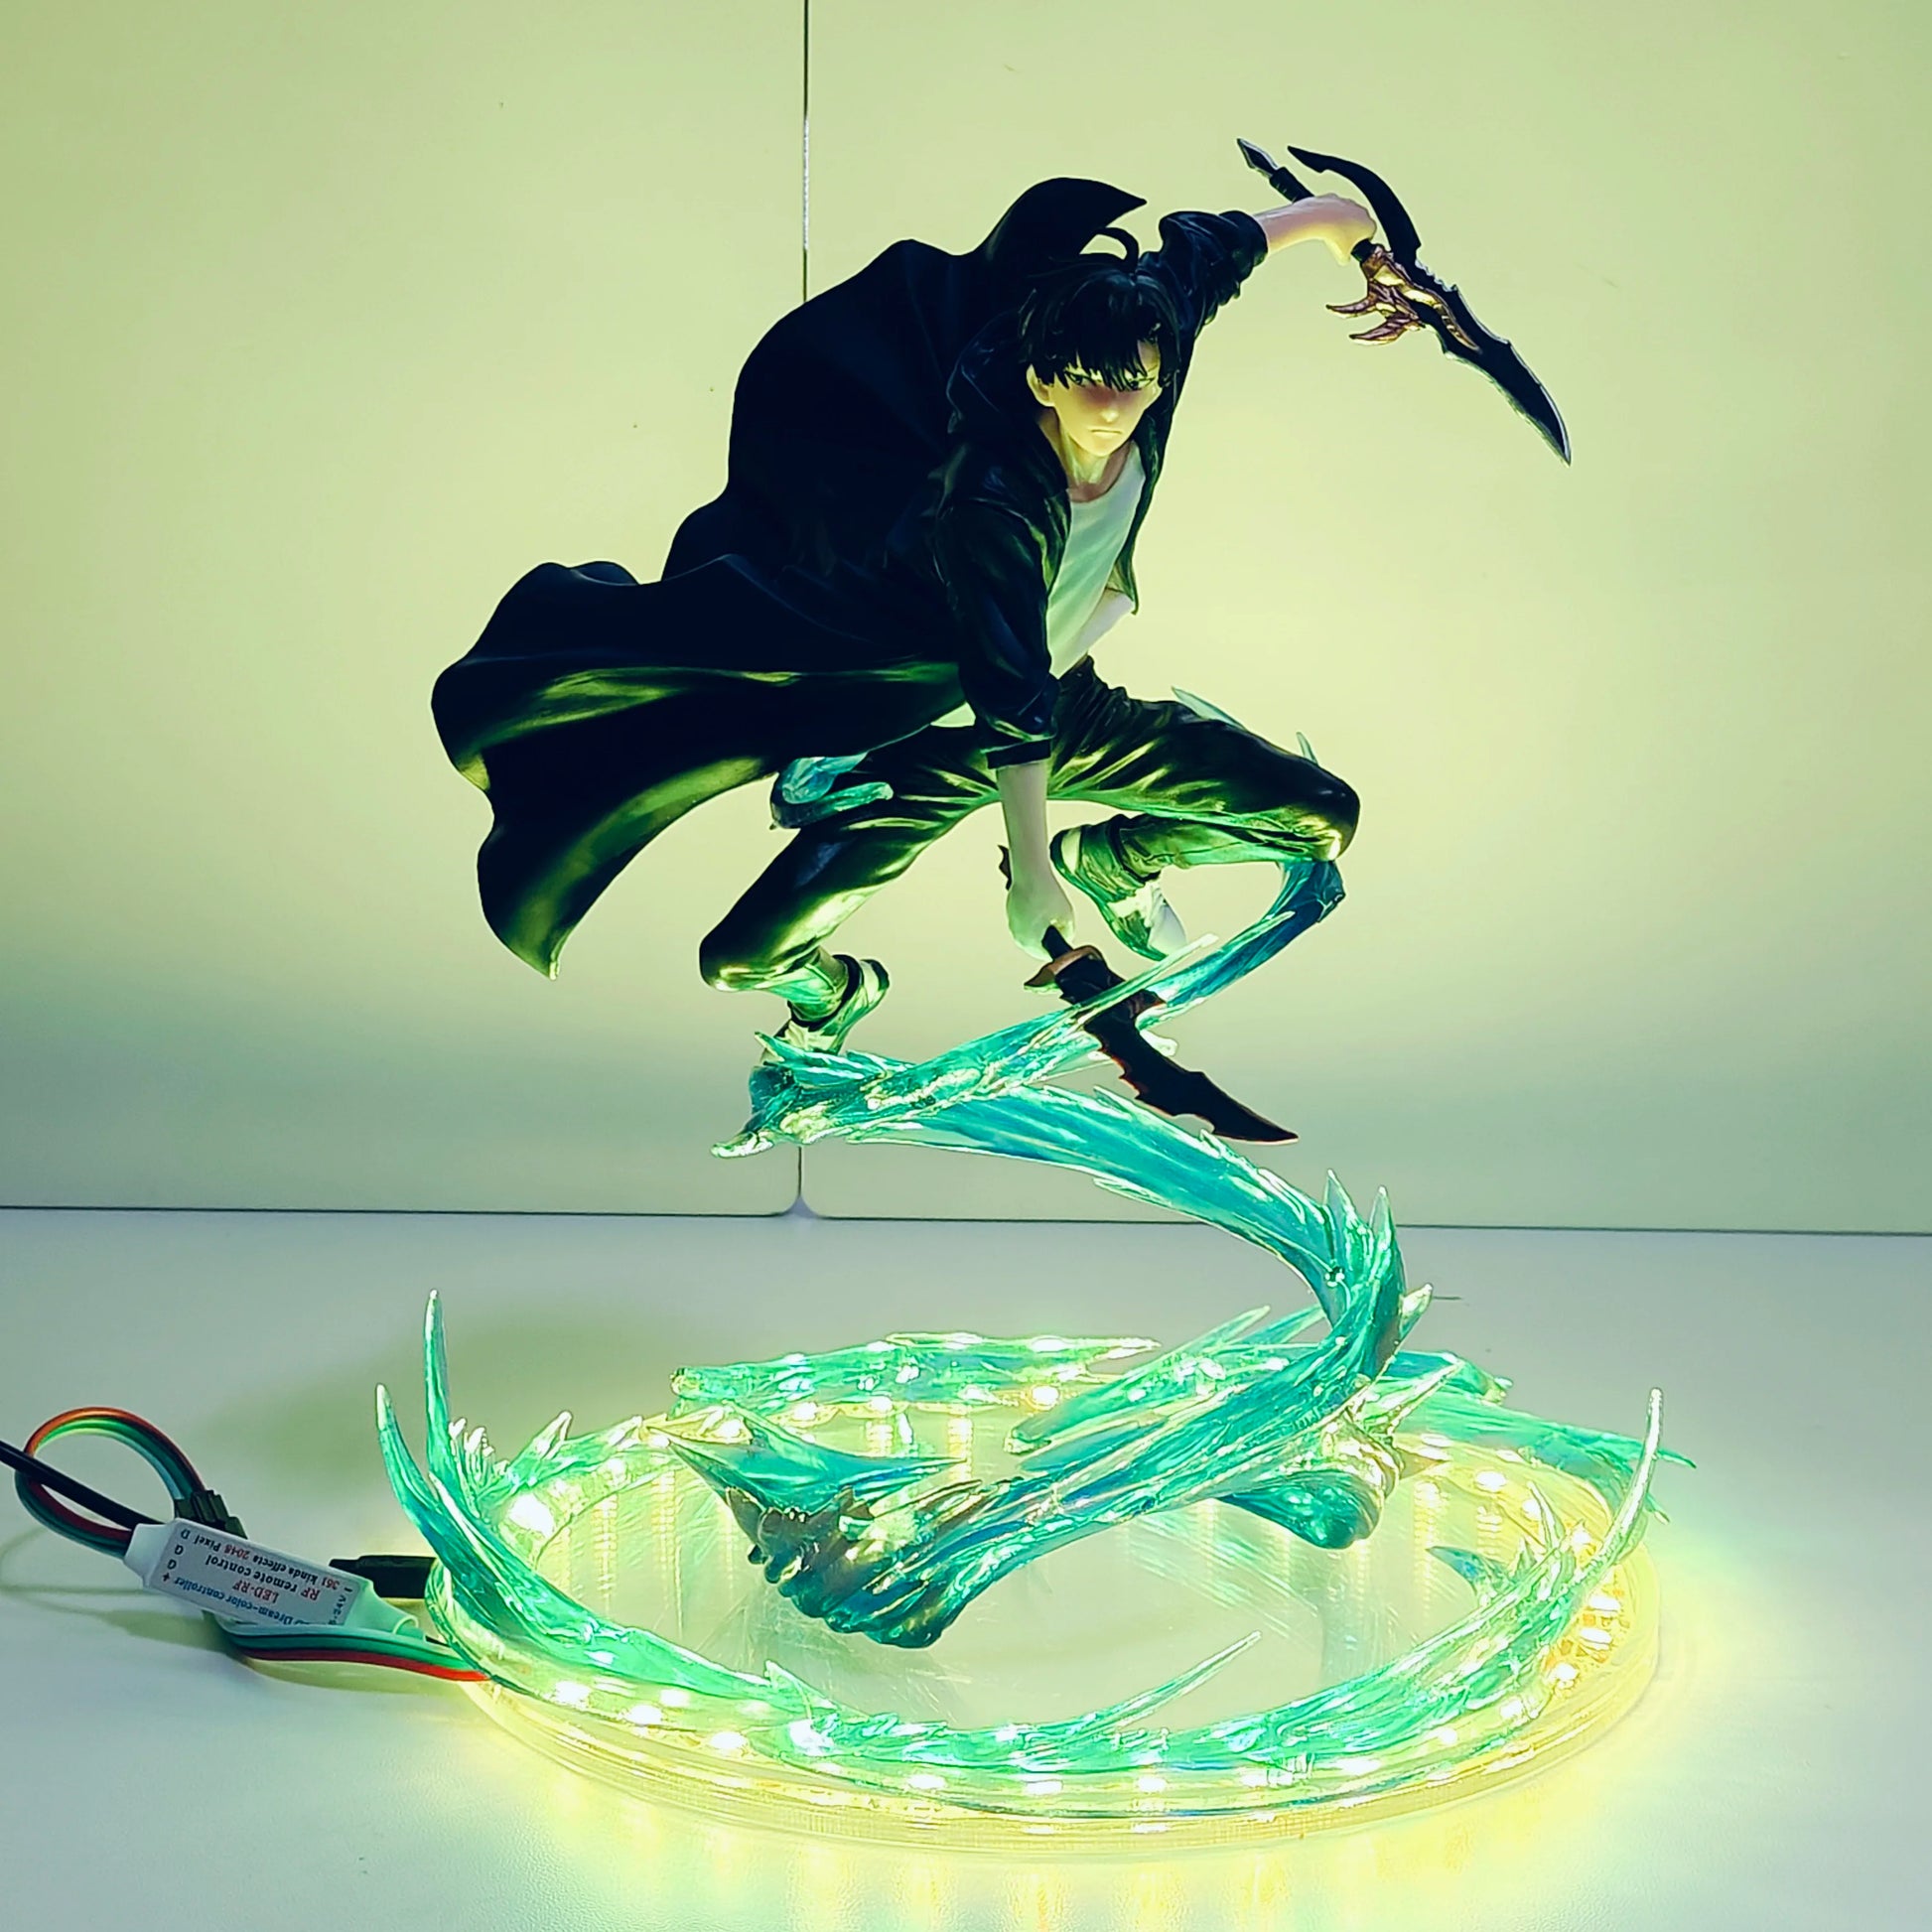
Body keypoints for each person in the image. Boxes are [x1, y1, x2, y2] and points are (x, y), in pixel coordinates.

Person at [432, 174, 1377, 1050]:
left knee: (1324, 817)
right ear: (1041, 381)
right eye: (1090, 386)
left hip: (1071, 705)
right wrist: (1030, 868)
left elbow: (1212, 252)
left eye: (1133, 385)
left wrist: (1339, 225)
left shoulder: (1142, 342)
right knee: (741, 963)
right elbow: (1008, 690)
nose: (1113, 411)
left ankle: (1120, 861)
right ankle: (833, 994)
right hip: (930, 737)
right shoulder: (990, 497)